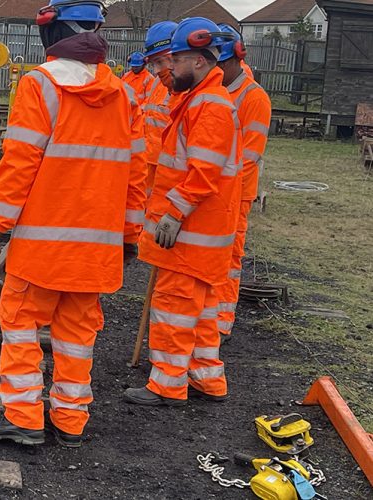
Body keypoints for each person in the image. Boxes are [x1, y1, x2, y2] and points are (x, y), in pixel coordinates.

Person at [0, 0, 146, 447]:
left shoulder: (40, 86)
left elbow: (20, 160)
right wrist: (130, 235)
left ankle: (25, 418)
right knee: (77, 332)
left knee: (21, 323)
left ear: (51, 34)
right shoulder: (126, 94)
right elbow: (137, 172)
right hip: (96, 250)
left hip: (43, 247)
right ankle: (70, 420)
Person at [123, 17, 242, 406]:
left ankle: (167, 385)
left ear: (201, 61)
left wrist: (173, 213)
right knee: (204, 311)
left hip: (190, 233)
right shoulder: (202, 100)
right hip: (205, 233)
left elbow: (202, 171)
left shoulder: (208, 105)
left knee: (173, 308)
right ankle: (207, 379)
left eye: (178, 60)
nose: (169, 67)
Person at [215, 24, 272, 341]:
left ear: (232, 61)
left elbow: (249, 155)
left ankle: (222, 319)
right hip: (216, 190)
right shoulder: (220, 92)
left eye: (219, 65)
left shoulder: (254, 98)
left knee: (229, 258)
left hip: (237, 192)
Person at [141, 21, 178, 197]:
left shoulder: (189, 89)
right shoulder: (158, 82)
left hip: (171, 170)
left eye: (160, 62)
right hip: (149, 162)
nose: (157, 70)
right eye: (154, 64)